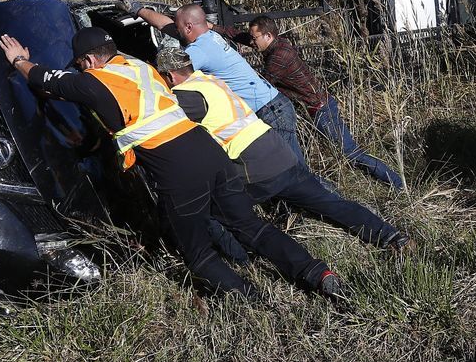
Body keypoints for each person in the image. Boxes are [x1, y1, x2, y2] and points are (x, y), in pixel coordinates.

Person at [0, 26, 343, 299]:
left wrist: (18, 60)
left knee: (197, 254)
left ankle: (250, 302)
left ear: (88, 61)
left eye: (79, 64)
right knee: (251, 227)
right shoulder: (139, 67)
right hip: (210, 153)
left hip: (177, 168)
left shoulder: (94, 81)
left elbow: (44, 78)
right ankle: (316, 273)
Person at [155, 46, 413, 252]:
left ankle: (240, 263)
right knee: (330, 202)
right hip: (279, 151)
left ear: (169, 75)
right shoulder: (209, 81)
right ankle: (390, 235)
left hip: (253, 166)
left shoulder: (185, 95)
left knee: (217, 212)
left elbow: (158, 122)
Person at [119, 0, 308, 169]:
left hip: (270, 111)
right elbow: (169, 26)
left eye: (179, 27)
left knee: (295, 172)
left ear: (188, 27)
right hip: (274, 106)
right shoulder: (209, 37)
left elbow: (171, 75)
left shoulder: (199, 50)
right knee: (286, 171)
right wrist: (138, 10)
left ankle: (330, 203)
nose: (175, 30)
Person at [222, 14, 404, 189]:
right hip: (312, 110)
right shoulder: (277, 45)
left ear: (268, 36)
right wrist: (214, 27)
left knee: (351, 154)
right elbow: (245, 37)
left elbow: (261, 86)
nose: (252, 43)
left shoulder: (279, 57)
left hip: (321, 110)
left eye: (255, 39)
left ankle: (396, 183)